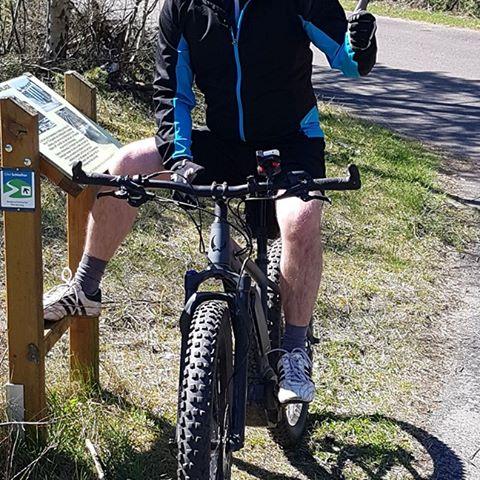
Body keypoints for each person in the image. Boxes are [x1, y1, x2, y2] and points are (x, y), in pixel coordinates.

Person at [44, 0, 377, 404]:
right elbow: (173, 93)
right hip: (223, 141)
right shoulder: (184, 7)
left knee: (300, 220)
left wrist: (361, 43)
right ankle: (85, 288)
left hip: (291, 142)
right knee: (125, 164)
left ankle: (293, 350)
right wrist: (180, 159)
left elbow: (349, 60)